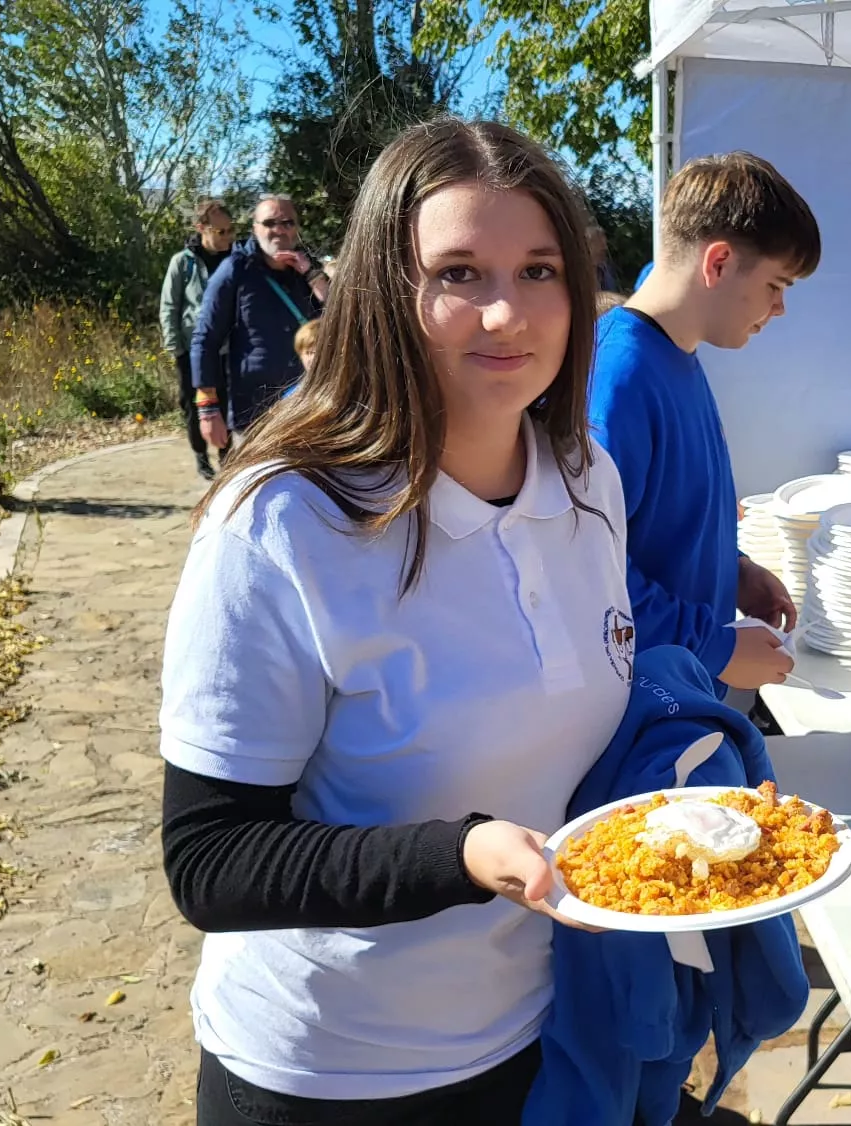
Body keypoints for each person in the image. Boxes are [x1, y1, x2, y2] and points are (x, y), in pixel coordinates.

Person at [158, 118, 628, 1123]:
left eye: (540, 269)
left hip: (536, 1034)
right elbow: (211, 860)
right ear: (381, 290)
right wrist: (455, 855)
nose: (507, 311)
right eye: (458, 273)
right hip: (329, 1074)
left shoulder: (589, 479)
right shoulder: (284, 519)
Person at [589, 153, 820, 691]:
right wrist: (712, 645)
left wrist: (734, 570)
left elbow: (670, 518)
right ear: (717, 263)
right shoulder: (618, 377)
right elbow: (589, 573)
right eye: (775, 285)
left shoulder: (678, 353)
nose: (780, 308)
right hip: (640, 715)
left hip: (682, 691)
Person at [190, 194, 330, 450]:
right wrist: (208, 410)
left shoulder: (307, 268)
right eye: (269, 223)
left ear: (296, 227)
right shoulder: (235, 270)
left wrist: (312, 275)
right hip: (256, 416)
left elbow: (340, 320)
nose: (278, 230)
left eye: (287, 223)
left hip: (311, 411)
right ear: (255, 228)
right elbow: (205, 339)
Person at [159, 200, 234, 479]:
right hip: (191, 349)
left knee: (227, 402)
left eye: (230, 230)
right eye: (220, 231)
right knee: (193, 403)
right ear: (201, 228)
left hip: (228, 346)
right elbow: (169, 305)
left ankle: (227, 455)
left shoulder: (234, 259)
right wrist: (175, 346)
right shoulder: (182, 262)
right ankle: (201, 455)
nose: (227, 237)